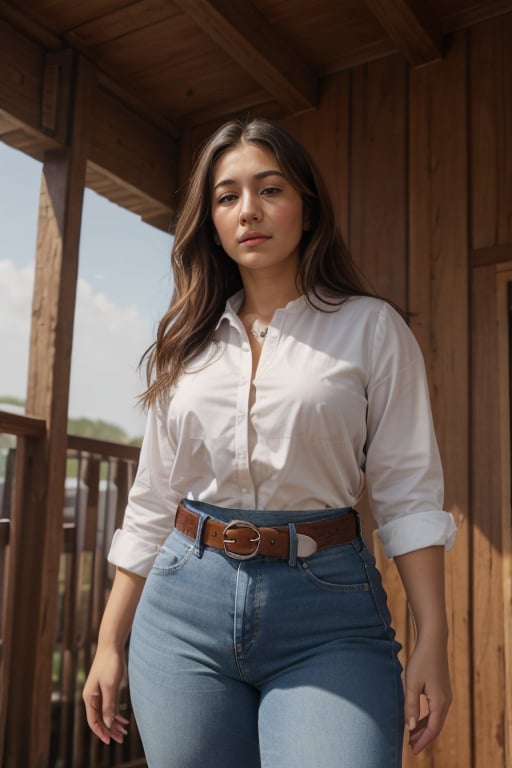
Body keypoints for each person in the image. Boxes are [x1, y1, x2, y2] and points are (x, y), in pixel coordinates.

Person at [83, 118, 457, 767]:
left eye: (269, 189)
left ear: (306, 209)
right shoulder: (185, 343)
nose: (248, 211)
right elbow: (152, 499)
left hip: (327, 614)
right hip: (181, 609)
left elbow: (407, 493)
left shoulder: (373, 329)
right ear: (213, 221)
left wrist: (435, 635)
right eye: (227, 196)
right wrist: (109, 641)